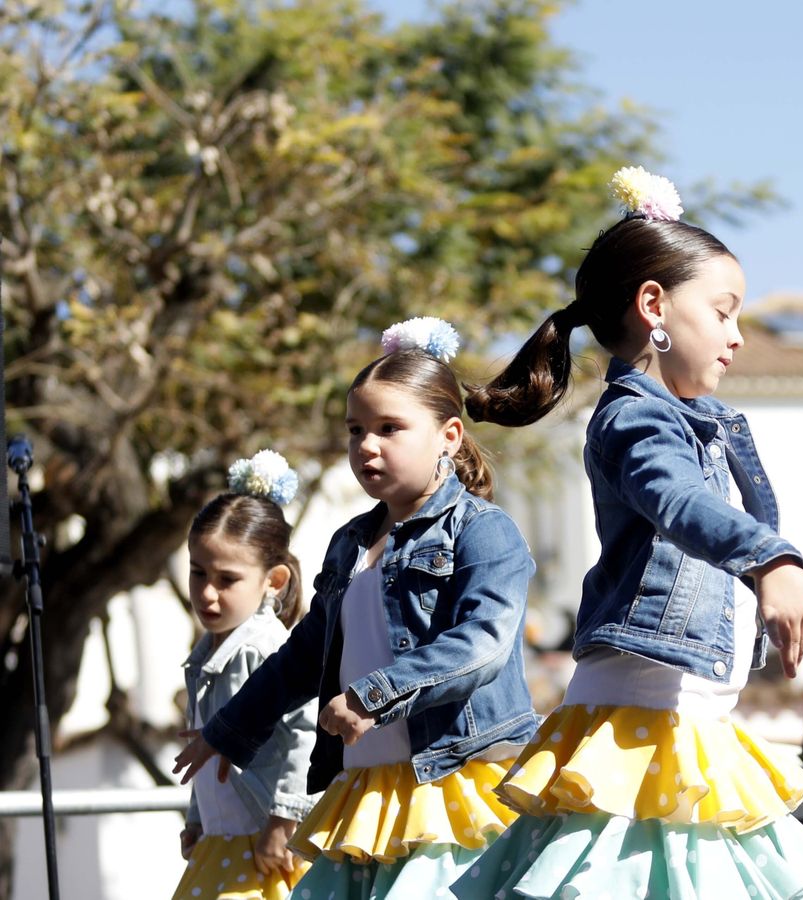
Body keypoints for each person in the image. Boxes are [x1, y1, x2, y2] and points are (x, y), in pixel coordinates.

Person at [449, 166, 803, 898]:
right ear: (654, 305)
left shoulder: (708, 424)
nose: (737, 337)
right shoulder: (637, 417)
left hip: (688, 720)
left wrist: (772, 567)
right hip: (639, 723)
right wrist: (770, 561)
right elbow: (673, 498)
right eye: (725, 311)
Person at [173, 318, 539, 897]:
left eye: (389, 428)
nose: (366, 445)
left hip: (449, 779)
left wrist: (376, 695)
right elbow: (302, 655)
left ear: (449, 435)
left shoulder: (484, 532)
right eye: (355, 430)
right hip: (369, 787)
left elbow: (483, 644)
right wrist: (227, 729)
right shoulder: (349, 543)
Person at [172, 451, 316, 900]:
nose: (207, 593)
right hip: (224, 843)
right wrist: (198, 819)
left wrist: (283, 820)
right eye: (198, 573)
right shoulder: (203, 656)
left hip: (265, 841)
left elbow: (304, 731)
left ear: (272, 581)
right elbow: (207, 750)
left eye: (227, 579)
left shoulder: (267, 648)